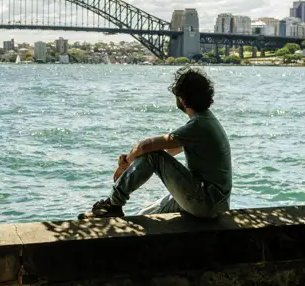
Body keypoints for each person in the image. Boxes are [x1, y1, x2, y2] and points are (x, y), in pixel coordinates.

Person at [81, 67, 232, 220]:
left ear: (181, 98)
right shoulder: (207, 121)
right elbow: (168, 153)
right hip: (214, 203)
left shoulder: (198, 125)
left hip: (205, 202)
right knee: (144, 215)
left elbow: (147, 147)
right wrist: (133, 165)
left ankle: (112, 204)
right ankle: (112, 210)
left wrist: (128, 160)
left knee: (153, 154)